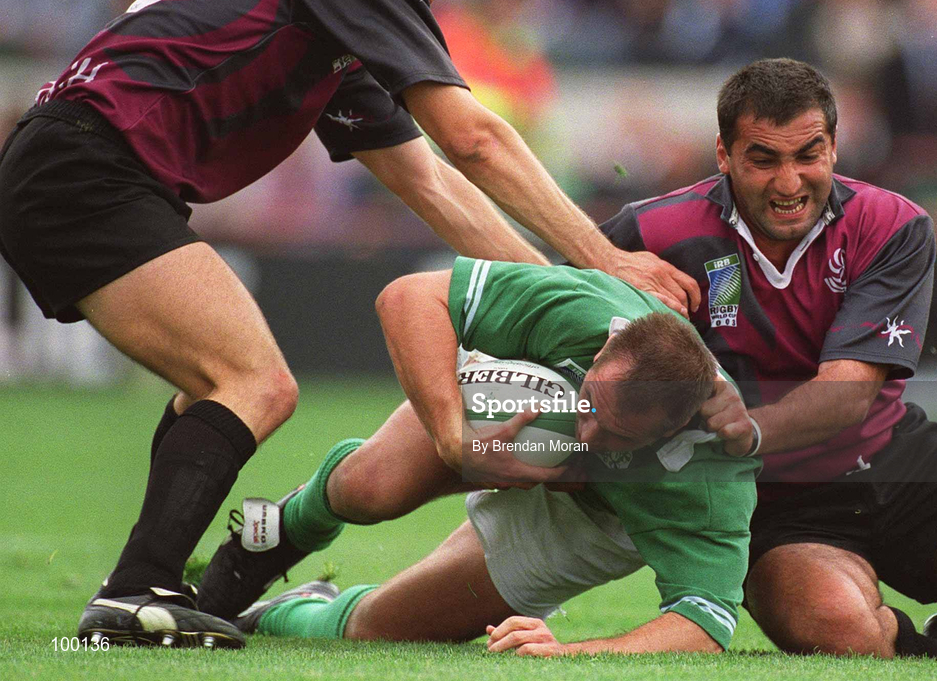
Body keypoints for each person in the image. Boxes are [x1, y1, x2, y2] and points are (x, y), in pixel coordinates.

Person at [0, 0, 698, 649]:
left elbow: (432, 187)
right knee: (253, 381)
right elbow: (471, 139)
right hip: (90, 167)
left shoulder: (324, 7)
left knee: (219, 383)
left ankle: (143, 586)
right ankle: (134, 594)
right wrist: (605, 266)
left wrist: (559, 308)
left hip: (77, 164)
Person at [599, 57, 937, 660]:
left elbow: (847, 396)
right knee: (838, 627)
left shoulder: (892, 224)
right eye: (764, 159)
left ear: (833, 146)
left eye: (808, 155)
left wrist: (729, 433)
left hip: (890, 457)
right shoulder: (650, 231)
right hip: (771, 503)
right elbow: (555, 306)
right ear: (724, 154)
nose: (790, 182)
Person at [199, 258, 759, 654]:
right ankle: (273, 536)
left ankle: (285, 611)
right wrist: (453, 439)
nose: (586, 436)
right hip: (527, 413)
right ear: (607, 344)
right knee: (371, 487)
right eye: (589, 402)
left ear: (676, 425)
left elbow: (703, 624)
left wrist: (569, 653)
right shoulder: (585, 311)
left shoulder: (712, 478)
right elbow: (408, 296)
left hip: (597, 522)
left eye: (617, 432)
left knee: (380, 628)